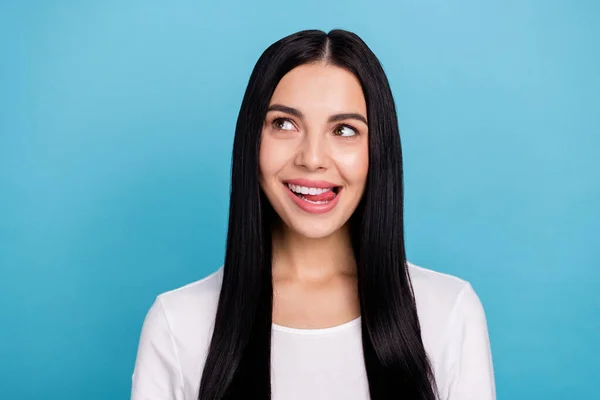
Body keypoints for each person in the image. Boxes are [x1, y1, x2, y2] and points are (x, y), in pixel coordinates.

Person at [130, 29, 496, 400]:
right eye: (284, 124)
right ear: (251, 141)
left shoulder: (449, 313)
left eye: (344, 129)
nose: (313, 158)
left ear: (377, 152)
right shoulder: (177, 323)